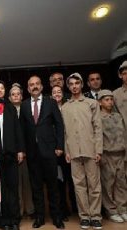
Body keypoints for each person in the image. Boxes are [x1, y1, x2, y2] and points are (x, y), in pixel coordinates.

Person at [20, 76, 65, 229]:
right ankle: (39, 217)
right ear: (27, 89)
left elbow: (59, 126)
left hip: (50, 152)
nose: (34, 87)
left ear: (41, 86)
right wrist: (23, 150)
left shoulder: (51, 103)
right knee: (36, 187)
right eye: (31, 85)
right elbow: (22, 130)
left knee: (53, 187)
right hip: (32, 154)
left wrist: (60, 146)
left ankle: (56, 217)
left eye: (37, 84)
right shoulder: (24, 105)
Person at [61, 73, 103, 230]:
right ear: (68, 86)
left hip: (91, 150)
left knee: (94, 186)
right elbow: (64, 132)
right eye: (71, 84)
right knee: (79, 186)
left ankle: (96, 217)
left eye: (77, 83)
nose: (74, 86)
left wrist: (98, 149)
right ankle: (85, 216)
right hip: (74, 152)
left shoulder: (91, 103)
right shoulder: (65, 107)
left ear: (81, 85)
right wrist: (67, 151)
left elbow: (98, 128)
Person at [0, 81, 25, 230]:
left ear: (5, 91)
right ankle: (5, 220)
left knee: (13, 187)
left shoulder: (11, 108)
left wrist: (20, 150)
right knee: (2, 190)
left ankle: (15, 220)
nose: (0, 91)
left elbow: (18, 130)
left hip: (11, 154)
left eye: (2, 88)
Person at [97, 89, 127, 223]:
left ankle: (123, 208)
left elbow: (124, 135)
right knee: (108, 184)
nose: (110, 102)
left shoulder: (118, 116)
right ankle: (111, 210)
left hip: (120, 153)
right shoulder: (98, 118)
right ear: (100, 102)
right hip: (107, 154)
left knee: (121, 183)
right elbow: (97, 137)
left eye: (111, 99)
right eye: (106, 100)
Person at [51, 85, 77, 220]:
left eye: (59, 92)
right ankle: (63, 209)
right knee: (59, 182)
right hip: (56, 152)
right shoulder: (48, 108)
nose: (57, 94)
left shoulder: (68, 107)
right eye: (54, 92)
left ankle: (76, 208)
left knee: (72, 181)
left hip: (71, 150)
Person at [9, 84, 35, 219]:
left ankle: (30, 209)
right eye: (13, 94)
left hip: (28, 152)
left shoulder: (27, 108)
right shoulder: (7, 111)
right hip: (13, 153)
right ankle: (18, 211)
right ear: (9, 97)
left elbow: (29, 132)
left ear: (22, 96)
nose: (15, 96)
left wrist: (24, 150)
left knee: (28, 182)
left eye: (18, 94)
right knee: (16, 183)